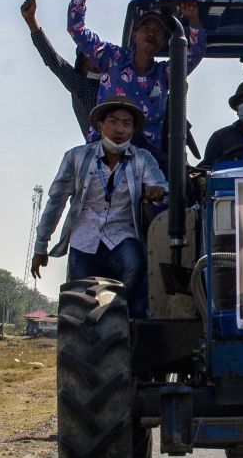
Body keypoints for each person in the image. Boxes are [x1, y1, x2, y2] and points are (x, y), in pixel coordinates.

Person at [31, 95, 168, 317]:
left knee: (137, 264)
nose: (120, 129)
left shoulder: (143, 159)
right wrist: (41, 246)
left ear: (133, 130)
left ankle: (116, 318)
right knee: (79, 303)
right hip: (84, 238)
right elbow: (56, 201)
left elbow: (161, 187)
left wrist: (158, 192)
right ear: (100, 125)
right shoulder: (77, 157)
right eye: (113, 121)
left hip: (122, 236)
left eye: (126, 123)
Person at [67, 0, 207, 158]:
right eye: (146, 28)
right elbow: (76, 29)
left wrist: (194, 20)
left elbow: (194, 54)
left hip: (144, 156)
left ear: (163, 42)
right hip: (104, 151)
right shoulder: (112, 58)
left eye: (158, 31)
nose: (151, 33)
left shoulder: (165, 73)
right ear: (135, 35)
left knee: (178, 180)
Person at [21, 0, 101, 142]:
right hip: (98, 155)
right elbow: (54, 61)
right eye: (91, 55)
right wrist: (32, 23)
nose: (97, 59)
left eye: (98, 54)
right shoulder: (81, 85)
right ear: (83, 61)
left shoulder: (115, 80)